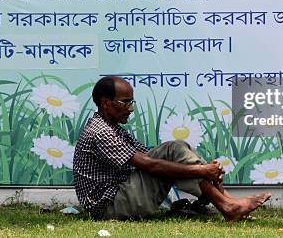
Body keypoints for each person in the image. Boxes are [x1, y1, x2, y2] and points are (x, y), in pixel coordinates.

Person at [73, 76, 271, 220]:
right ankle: (228, 205)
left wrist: (204, 170)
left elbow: (148, 155)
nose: (130, 108)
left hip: (120, 195)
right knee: (172, 150)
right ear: (106, 103)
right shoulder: (100, 132)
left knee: (176, 150)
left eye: (131, 102)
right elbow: (150, 165)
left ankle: (228, 203)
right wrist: (202, 170)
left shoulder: (114, 129)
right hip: (110, 206)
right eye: (125, 103)